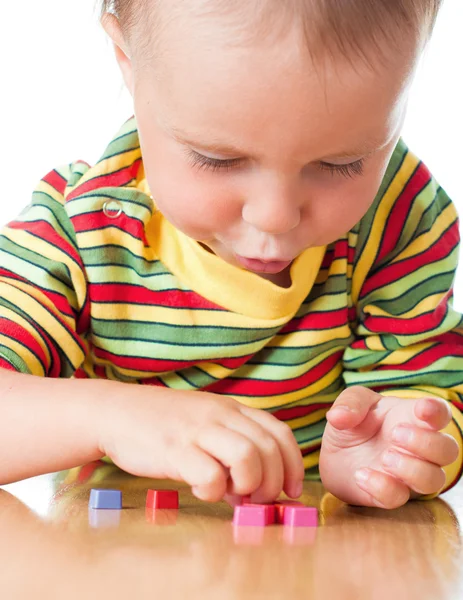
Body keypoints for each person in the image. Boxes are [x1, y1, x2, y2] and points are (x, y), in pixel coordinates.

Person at [0, 0, 461, 509]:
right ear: (127, 62)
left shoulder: (399, 216)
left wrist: (395, 454)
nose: (275, 216)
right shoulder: (80, 235)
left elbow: (427, 390)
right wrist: (115, 417)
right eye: (218, 159)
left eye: (340, 163)